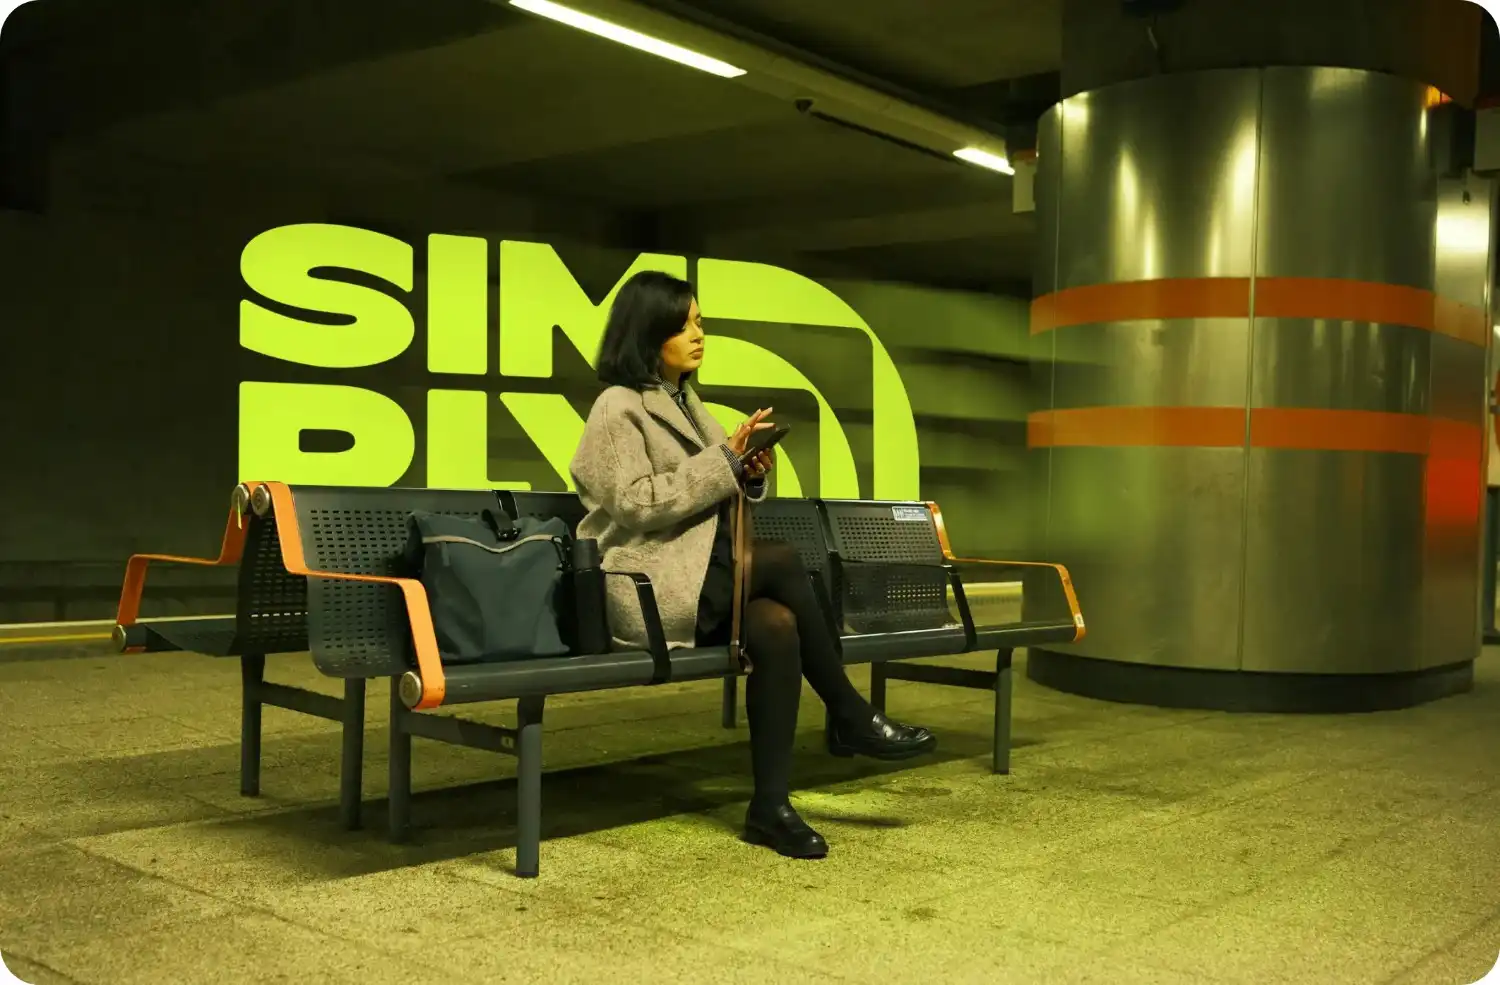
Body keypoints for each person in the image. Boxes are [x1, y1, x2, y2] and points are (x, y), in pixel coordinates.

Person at [569, 269, 936, 860]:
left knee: (777, 626)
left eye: (700, 323)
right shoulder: (618, 407)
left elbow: (715, 492)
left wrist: (747, 473)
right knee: (785, 561)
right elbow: (638, 504)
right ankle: (848, 711)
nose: (698, 335)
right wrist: (725, 464)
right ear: (648, 332)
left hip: (698, 577)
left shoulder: (688, 403)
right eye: (683, 325)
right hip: (648, 585)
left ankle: (770, 808)